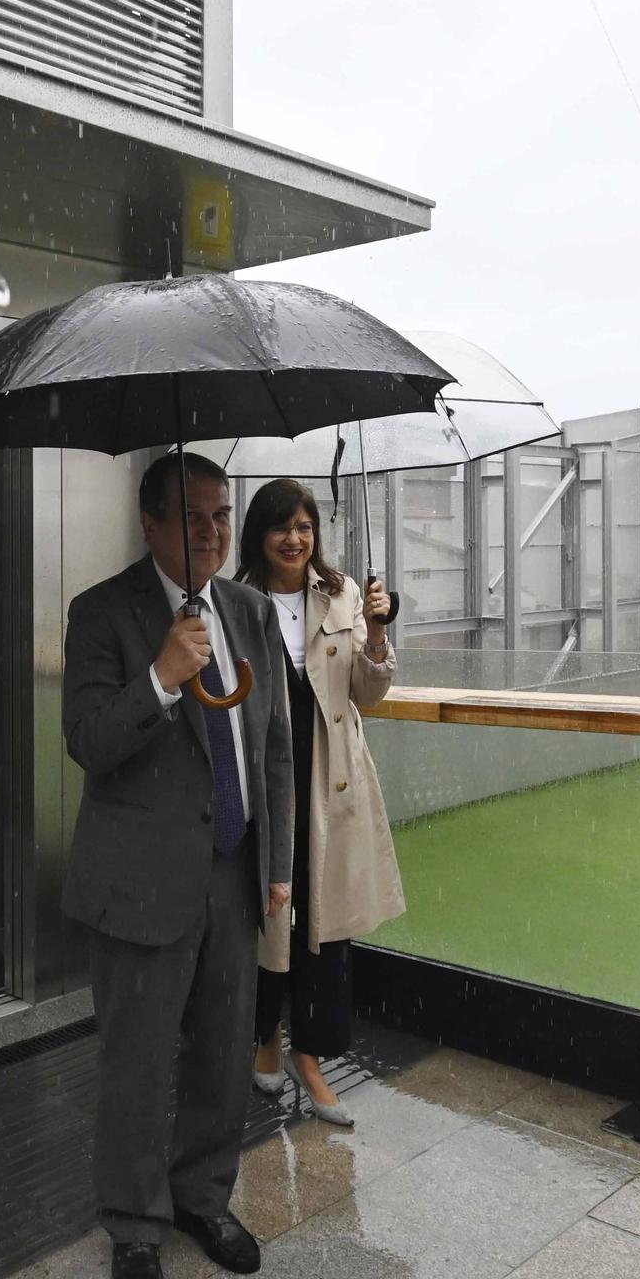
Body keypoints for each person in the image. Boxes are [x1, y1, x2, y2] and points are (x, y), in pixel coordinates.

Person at [61, 451, 294, 1279]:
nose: (212, 533)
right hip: (139, 883)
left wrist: (276, 867)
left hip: (233, 874)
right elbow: (86, 737)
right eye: (192, 518)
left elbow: (272, 746)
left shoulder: (248, 611)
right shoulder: (102, 613)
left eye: (222, 516)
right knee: (137, 1062)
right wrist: (160, 674)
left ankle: (203, 1196)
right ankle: (133, 1223)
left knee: (223, 1052)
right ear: (150, 523)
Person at [238, 478, 403, 1127]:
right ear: (260, 534)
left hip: (330, 776)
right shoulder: (235, 600)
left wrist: (380, 632)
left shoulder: (339, 594)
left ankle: (311, 1056)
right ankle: (264, 1040)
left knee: (324, 926)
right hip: (264, 782)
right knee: (266, 914)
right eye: (282, 526)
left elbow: (369, 692)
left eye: (304, 526)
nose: (294, 538)